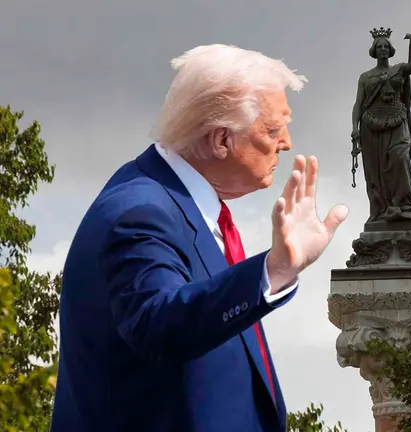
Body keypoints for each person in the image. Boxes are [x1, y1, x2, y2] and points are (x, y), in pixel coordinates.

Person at [50, 44, 348, 432]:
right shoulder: (140, 211)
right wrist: (272, 271)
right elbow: (157, 325)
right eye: (273, 129)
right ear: (221, 140)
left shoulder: (175, 201)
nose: (286, 142)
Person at [350, 28, 411, 224]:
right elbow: (358, 104)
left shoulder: (399, 70)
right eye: (379, 47)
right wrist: (354, 127)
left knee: (399, 158)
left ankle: (403, 205)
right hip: (370, 125)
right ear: (374, 51)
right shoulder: (365, 77)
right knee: (375, 171)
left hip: (397, 122)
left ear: (390, 49)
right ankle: (382, 209)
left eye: (386, 46)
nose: (383, 49)